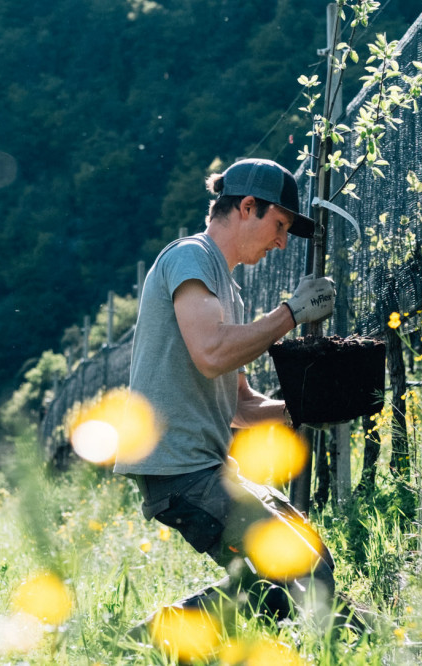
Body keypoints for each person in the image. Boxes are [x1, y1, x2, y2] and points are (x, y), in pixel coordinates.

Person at [114, 158, 339, 625]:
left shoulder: (227, 292)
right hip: (181, 470)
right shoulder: (190, 257)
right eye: (278, 225)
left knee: (303, 565)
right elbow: (212, 353)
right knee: (302, 567)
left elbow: (240, 405)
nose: (281, 242)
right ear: (247, 207)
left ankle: (148, 639)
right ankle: (335, 643)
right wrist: (292, 312)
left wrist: (302, 407)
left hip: (207, 468)